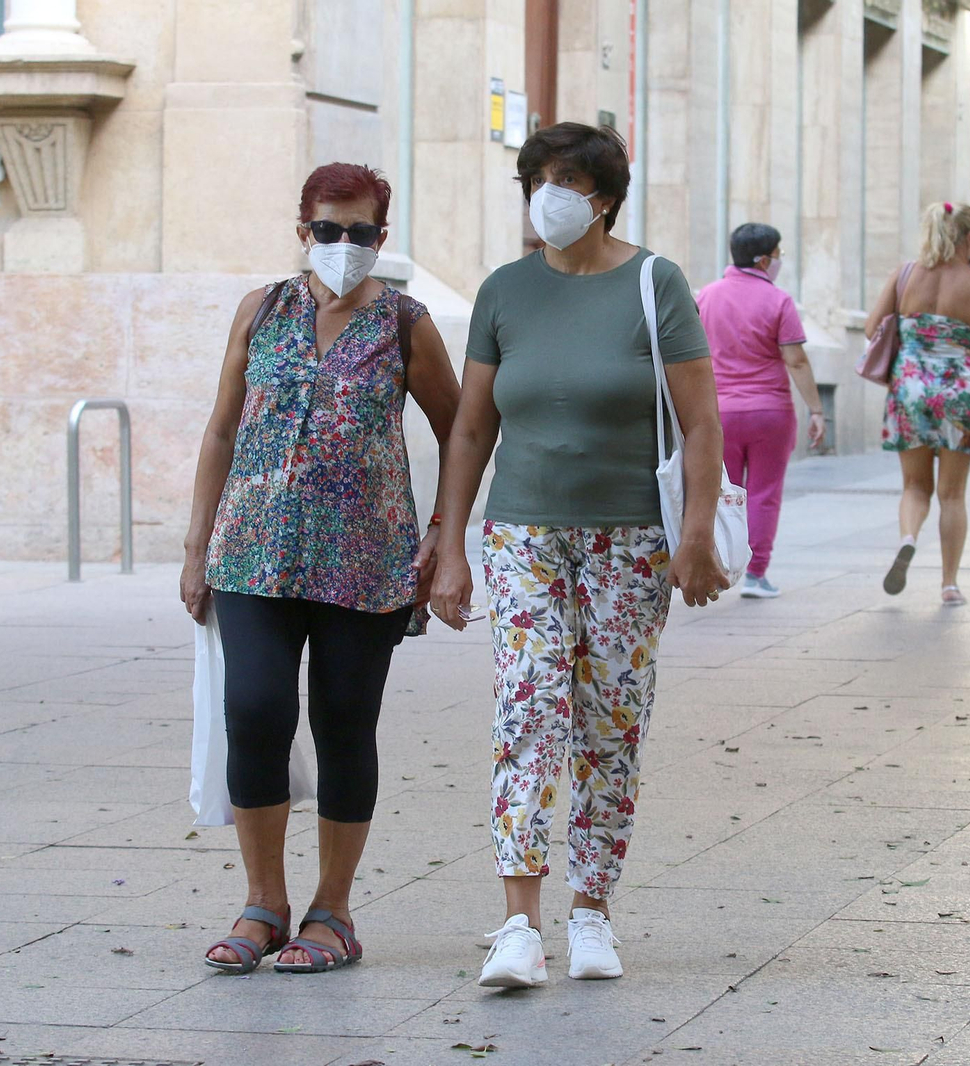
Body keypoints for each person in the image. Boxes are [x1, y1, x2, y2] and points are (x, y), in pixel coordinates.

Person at [428, 122, 726, 988]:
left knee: (611, 719)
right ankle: (519, 922)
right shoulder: (504, 291)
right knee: (526, 713)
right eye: (534, 179)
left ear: (603, 198)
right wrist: (451, 547)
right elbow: (473, 426)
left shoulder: (653, 283)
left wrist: (696, 534)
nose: (544, 195)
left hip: (631, 537)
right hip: (523, 531)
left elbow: (702, 419)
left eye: (563, 180)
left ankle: (592, 910)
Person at [180, 163, 461, 974]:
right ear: (303, 231)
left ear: (383, 234)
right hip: (254, 552)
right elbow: (222, 431)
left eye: (361, 231)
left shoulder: (408, 324)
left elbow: (461, 431)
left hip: (364, 558)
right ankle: (262, 902)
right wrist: (198, 546)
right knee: (257, 710)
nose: (345, 245)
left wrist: (444, 534)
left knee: (344, 723)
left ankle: (332, 911)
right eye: (328, 230)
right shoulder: (262, 310)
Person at [868, 202, 970, 607]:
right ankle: (949, 584)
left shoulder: (905, 275)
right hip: (961, 394)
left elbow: (874, 328)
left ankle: (908, 538)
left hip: (910, 391)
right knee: (953, 494)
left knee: (914, 486)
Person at [696, 222, 826, 598]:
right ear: (765, 259)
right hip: (770, 412)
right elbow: (796, 360)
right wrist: (816, 409)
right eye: (779, 255)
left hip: (719, 414)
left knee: (724, 495)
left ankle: (721, 569)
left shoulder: (707, 296)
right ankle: (755, 575)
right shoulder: (779, 301)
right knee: (763, 493)